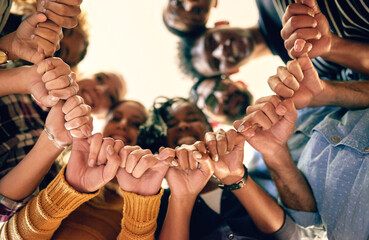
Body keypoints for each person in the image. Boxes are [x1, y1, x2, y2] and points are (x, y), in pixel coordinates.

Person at [236, 53, 369, 239]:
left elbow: (306, 225)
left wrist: (325, 92)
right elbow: (305, 230)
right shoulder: (255, 171)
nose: (222, 98)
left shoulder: (295, 105)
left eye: (192, 118)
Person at [0, 99, 172, 240]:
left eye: (136, 124)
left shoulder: (153, 201)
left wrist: (140, 206)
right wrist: (71, 188)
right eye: (115, 118)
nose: (123, 125)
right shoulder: (58, 172)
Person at [137, 97, 300, 240]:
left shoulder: (251, 177)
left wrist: (235, 177)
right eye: (171, 124)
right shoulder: (155, 205)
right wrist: (182, 197)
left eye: (192, 118)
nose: (183, 125)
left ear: (208, 129)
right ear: (158, 145)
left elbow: (290, 235)